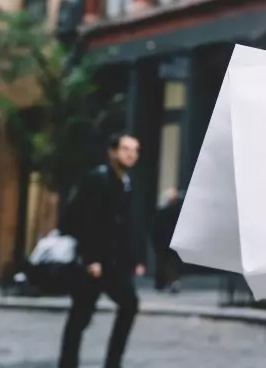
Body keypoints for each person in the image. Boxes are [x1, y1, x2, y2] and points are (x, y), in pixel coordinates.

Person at [58, 133, 145, 368]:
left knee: (129, 305)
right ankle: (67, 363)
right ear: (112, 152)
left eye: (135, 150)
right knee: (80, 317)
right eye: (126, 149)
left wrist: (136, 258)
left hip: (116, 262)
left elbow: (127, 224)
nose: (131, 154)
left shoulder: (127, 183)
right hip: (93, 263)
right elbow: (84, 221)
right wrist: (90, 258)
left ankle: (113, 362)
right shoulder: (97, 180)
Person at [152, 187, 183, 293]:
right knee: (169, 263)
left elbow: (156, 229)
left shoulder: (163, 211)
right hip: (169, 241)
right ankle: (170, 282)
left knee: (166, 263)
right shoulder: (175, 211)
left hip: (166, 241)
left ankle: (163, 283)